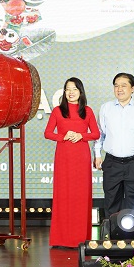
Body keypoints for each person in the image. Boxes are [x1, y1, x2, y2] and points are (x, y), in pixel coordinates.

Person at [44, 77, 100, 248]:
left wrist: (81, 135)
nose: (71, 92)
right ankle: (60, 239)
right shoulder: (58, 111)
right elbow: (48, 133)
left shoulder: (87, 111)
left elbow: (96, 134)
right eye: (68, 89)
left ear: (80, 92)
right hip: (63, 157)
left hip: (81, 158)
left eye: (74, 89)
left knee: (80, 196)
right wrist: (63, 136)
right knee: (63, 195)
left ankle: (80, 238)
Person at [93, 73, 134, 218]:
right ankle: (111, 232)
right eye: (116, 86)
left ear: (132, 88)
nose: (119, 89)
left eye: (124, 85)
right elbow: (100, 134)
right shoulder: (105, 108)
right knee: (111, 201)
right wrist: (97, 154)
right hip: (112, 162)